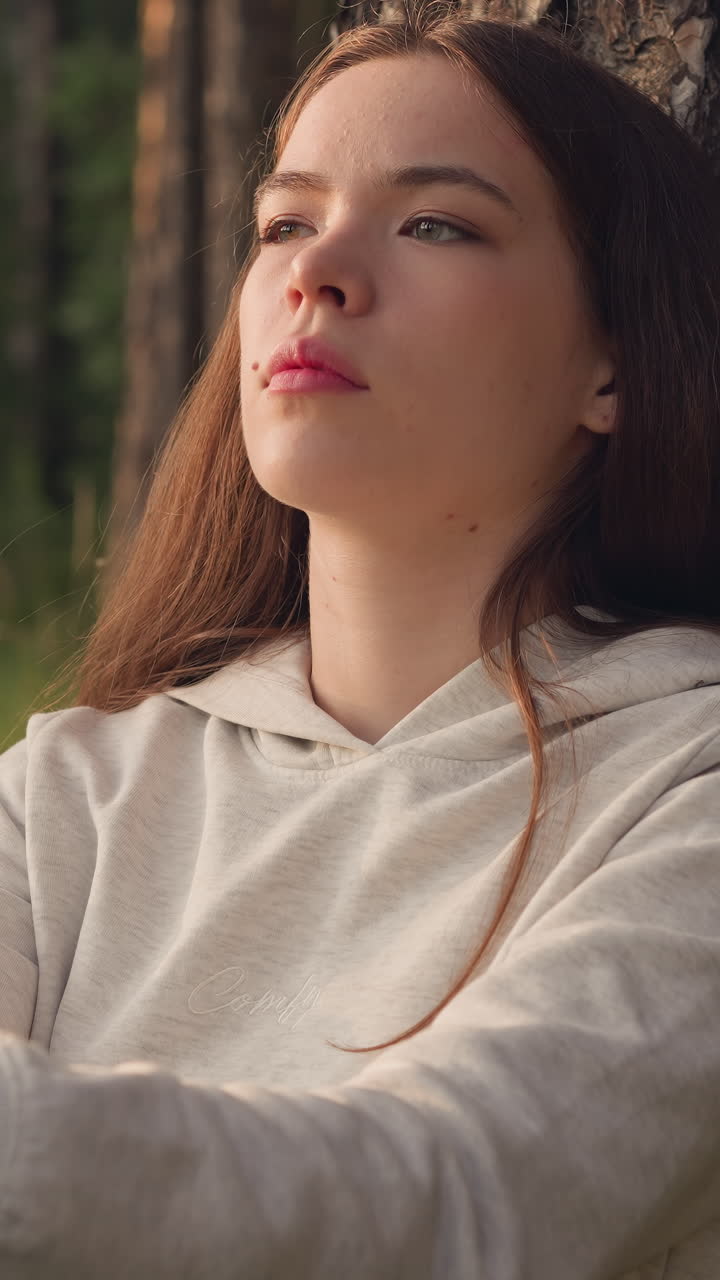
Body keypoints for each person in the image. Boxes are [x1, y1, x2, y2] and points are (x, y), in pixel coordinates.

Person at [1, 3, 720, 1276]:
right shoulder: (68, 794)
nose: (314, 272)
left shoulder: (691, 782)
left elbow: (453, 1202)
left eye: (436, 221)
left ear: (614, 360)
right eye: (285, 221)